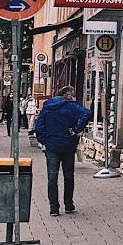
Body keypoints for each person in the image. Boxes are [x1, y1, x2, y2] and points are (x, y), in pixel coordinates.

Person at [33, 85, 91, 216]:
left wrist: (44, 141)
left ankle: (54, 207)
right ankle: (68, 204)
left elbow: (39, 126)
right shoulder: (71, 106)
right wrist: (76, 129)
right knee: (68, 176)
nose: (74, 96)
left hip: (52, 146)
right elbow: (87, 113)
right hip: (68, 145)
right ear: (68, 94)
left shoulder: (47, 107)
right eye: (73, 94)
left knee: (52, 177)